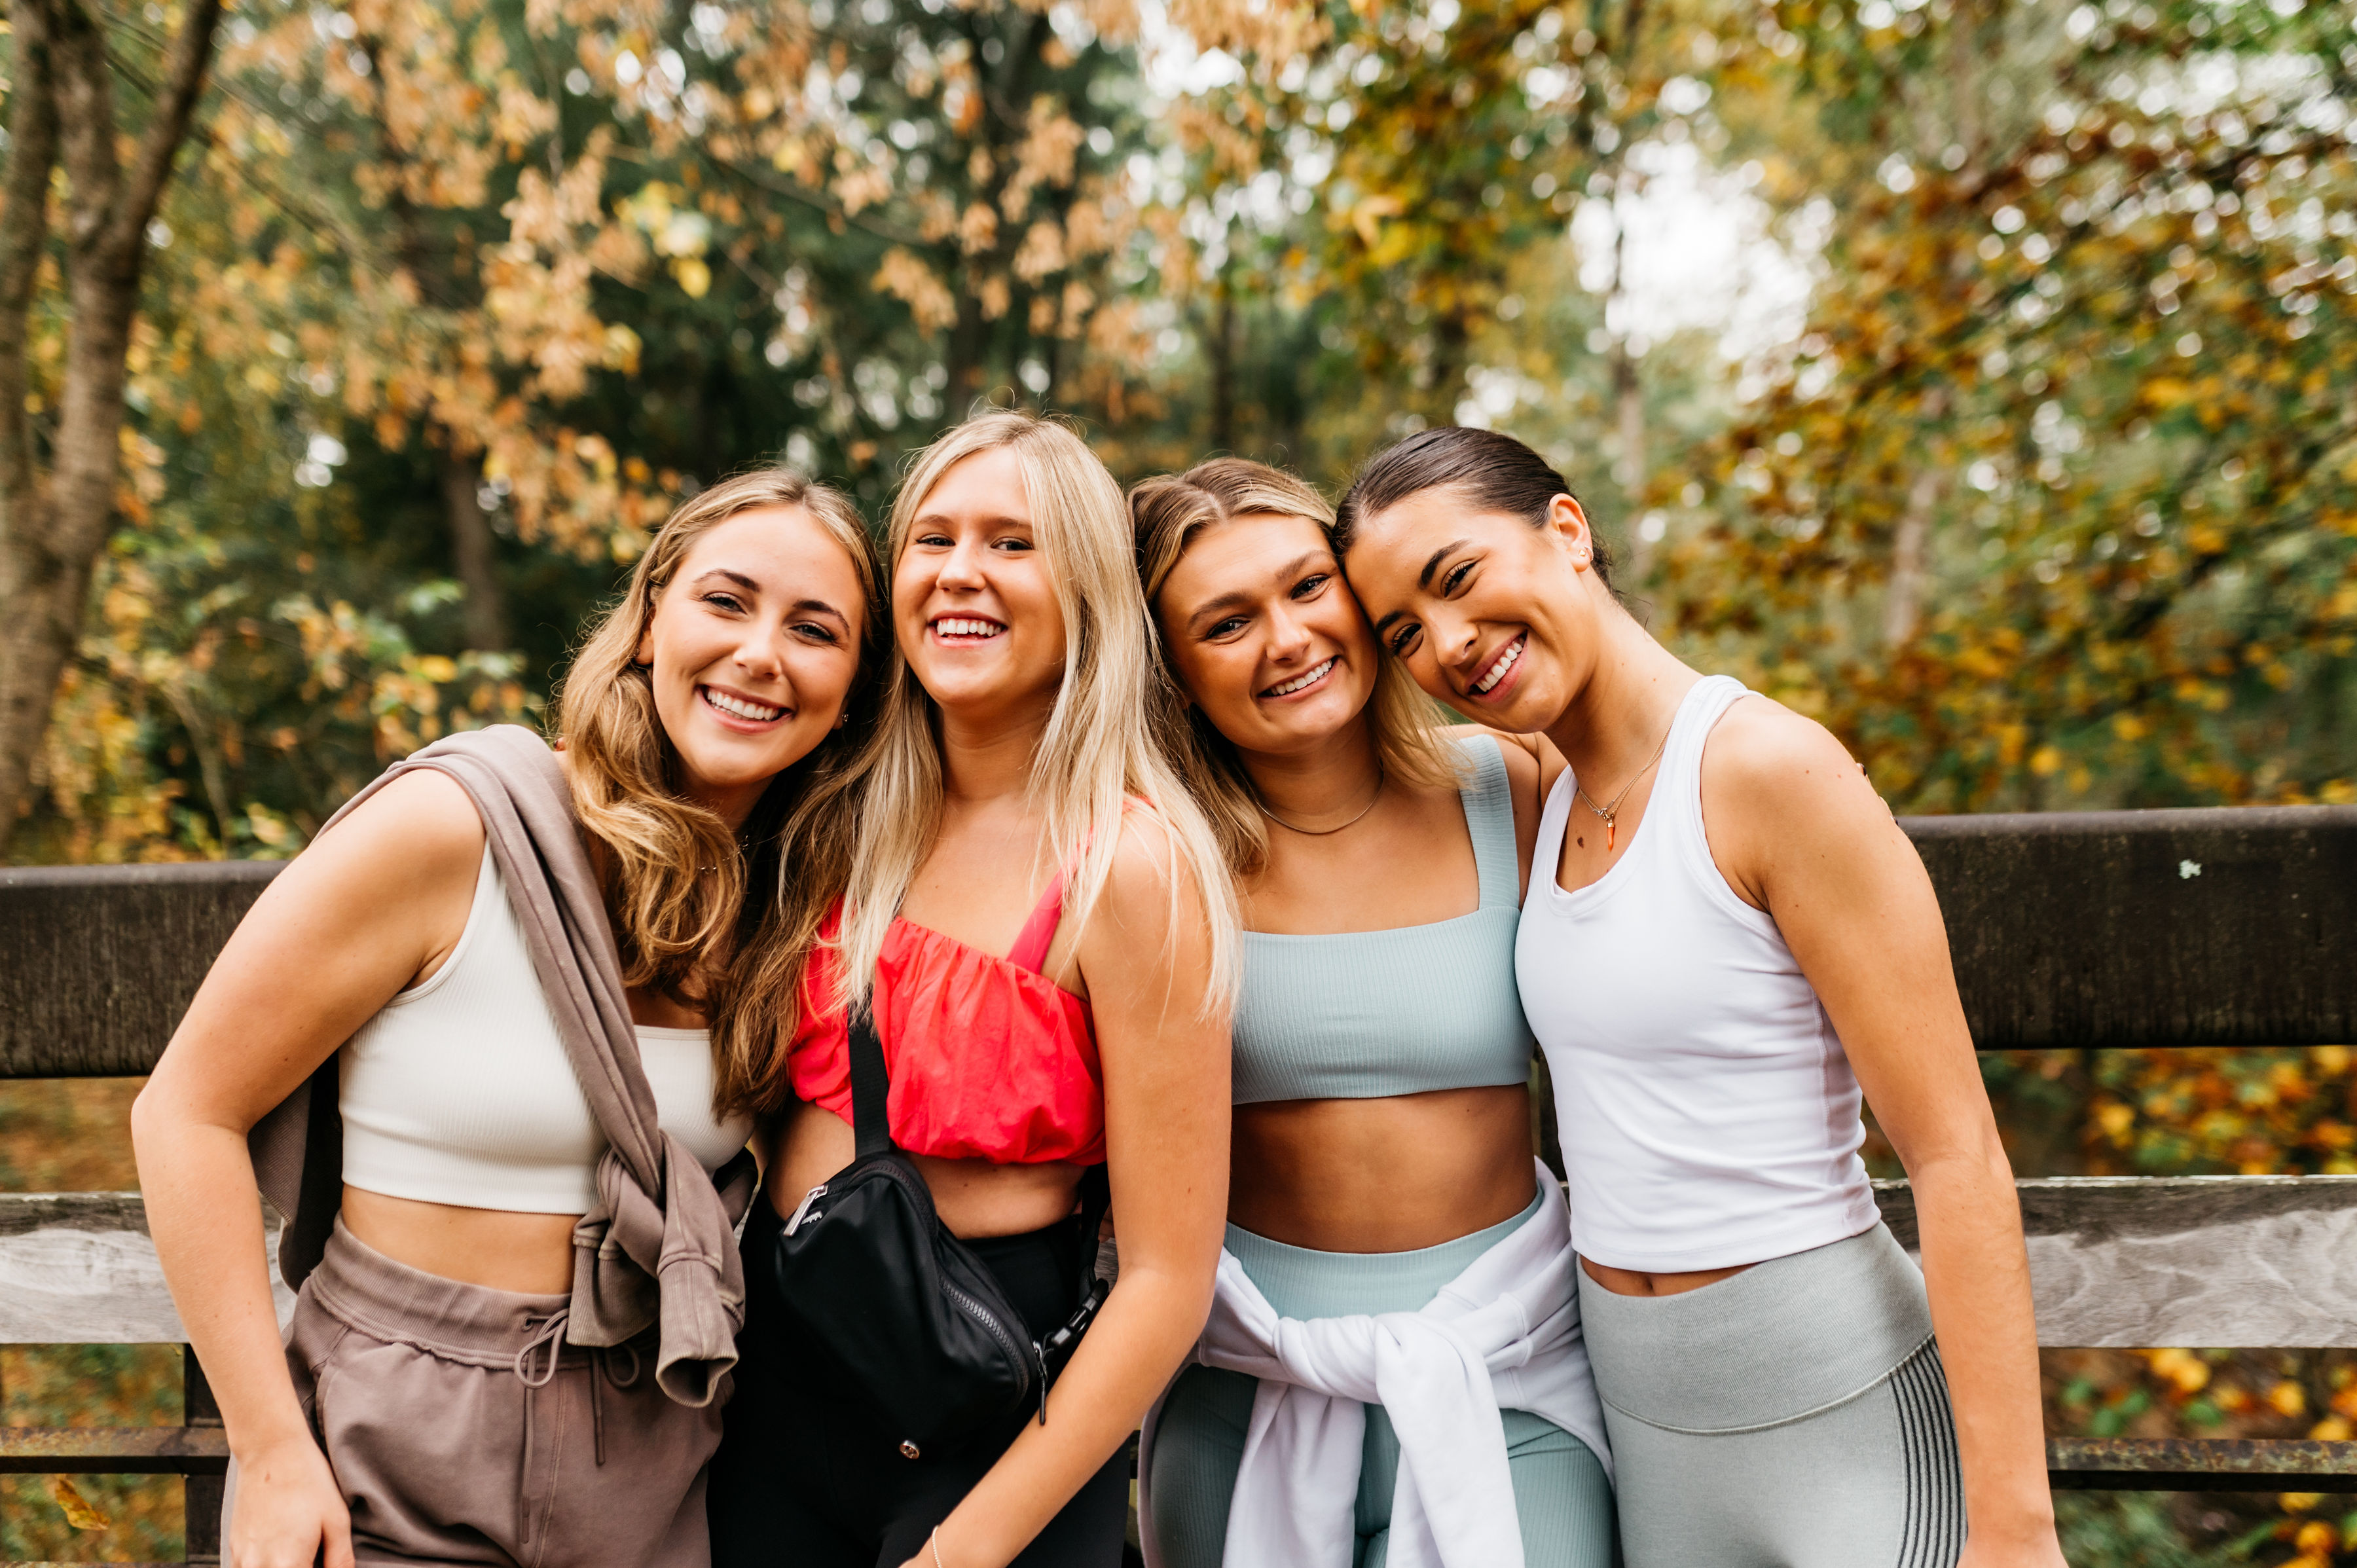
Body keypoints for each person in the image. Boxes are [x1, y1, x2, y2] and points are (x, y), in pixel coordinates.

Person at [1333, 426, 2067, 1568]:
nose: (1449, 644)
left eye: (1459, 579)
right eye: (1402, 634)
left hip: (1841, 1416)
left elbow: (1958, 1155)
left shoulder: (1770, 771)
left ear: (1566, 531)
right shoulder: (1542, 796)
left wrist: (2017, 1532)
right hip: (1649, 1431)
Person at [132, 467, 883, 1568]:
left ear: (854, 691)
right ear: (645, 626)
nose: (762, 652)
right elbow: (185, 1113)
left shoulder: (794, 921)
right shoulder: (459, 829)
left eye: (814, 629)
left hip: (659, 1451)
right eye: (726, 602)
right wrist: (276, 1452)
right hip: (387, 1448)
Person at [708, 410, 1238, 1568]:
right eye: (932, 539)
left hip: (992, 1422)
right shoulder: (832, 820)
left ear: (1086, 585)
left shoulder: (1130, 868)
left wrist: (971, 1545)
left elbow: (1164, 1280)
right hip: (774, 1402)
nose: (961, 573)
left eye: (1012, 542)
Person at [1129, 459, 1616, 1568]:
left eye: (1308, 588)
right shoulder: (1160, 859)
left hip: (1512, 1379)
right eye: (1226, 623)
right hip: (1245, 1384)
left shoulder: (1516, 785)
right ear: (1174, 672)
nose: (1288, 639)